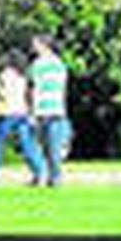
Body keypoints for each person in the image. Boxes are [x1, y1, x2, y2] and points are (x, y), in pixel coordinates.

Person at [0, 51, 47, 186]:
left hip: (7, 112)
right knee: (27, 144)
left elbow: (1, 93)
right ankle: (39, 173)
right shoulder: (23, 76)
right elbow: (28, 95)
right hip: (22, 112)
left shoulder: (4, 75)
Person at [28, 35, 72, 187]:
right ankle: (54, 177)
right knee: (52, 147)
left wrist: (31, 111)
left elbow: (34, 89)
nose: (33, 47)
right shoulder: (60, 64)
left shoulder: (37, 65)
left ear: (44, 45)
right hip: (57, 109)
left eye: (35, 44)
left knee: (43, 146)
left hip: (43, 109)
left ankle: (48, 176)